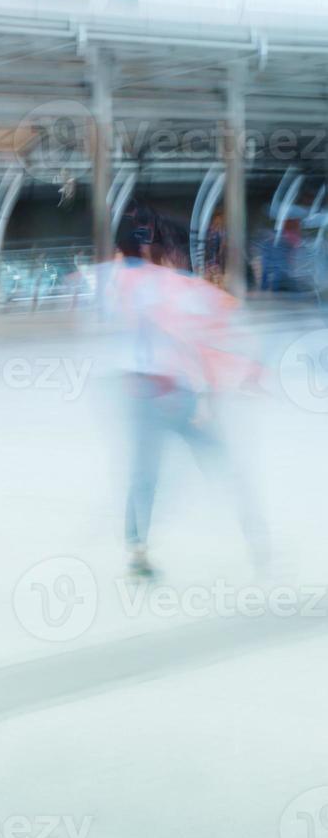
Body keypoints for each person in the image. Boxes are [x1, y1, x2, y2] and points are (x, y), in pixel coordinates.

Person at [101, 228, 268, 578]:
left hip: (148, 393)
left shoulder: (129, 285)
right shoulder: (181, 288)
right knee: (219, 460)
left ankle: (138, 548)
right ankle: (255, 535)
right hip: (178, 393)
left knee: (146, 472)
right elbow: (218, 330)